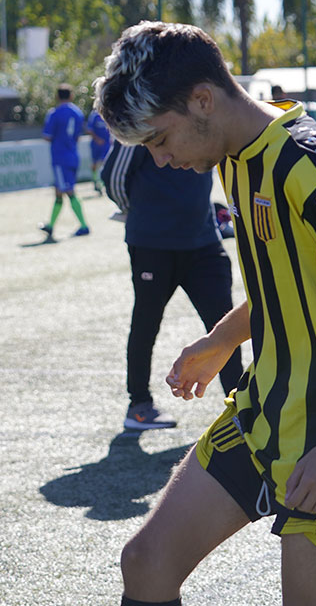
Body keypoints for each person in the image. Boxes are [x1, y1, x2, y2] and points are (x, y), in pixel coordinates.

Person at [95, 21, 316, 606]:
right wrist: (221, 338)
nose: (160, 159)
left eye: (160, 139)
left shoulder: (305, 161)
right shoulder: (233, 157)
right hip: (264, 411)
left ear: (202, 100)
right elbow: (293, 281)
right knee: (146, 563)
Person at [101, 143, 242, 432]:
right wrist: (142, 210)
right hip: (152, 244)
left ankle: (242, 407)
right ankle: (139, 404)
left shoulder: (206, 120)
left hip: (204, 240)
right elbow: (113, 177)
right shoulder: (143, 122)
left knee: (226, 325)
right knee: (146, 323)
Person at [40, 83, 89, 239]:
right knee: (59, 192)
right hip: (73, 155)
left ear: (57, 96)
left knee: (68, 191)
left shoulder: (54, 113)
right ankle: (50, 226)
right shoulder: (78, 112)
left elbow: (47, 136)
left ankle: (84, 226)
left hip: (60, 158)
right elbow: (78, 135)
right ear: (71, 96)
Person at [87, 107, 112, 194]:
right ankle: (95, 180)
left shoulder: (108, 113)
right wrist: (97, 139)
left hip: (106, 145)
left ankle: (101, 183)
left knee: (104, 163)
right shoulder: (94, 115)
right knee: (95, 164)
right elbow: (89, 130)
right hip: (96, 145)